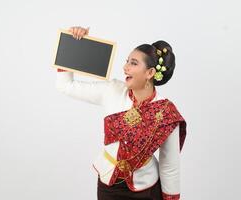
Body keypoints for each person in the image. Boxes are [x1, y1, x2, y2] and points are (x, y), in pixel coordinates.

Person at [56, 26, 187, 200]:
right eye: (126, 61)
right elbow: (66, 87)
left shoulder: (166, 112)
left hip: (146, 188)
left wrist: (171, 197)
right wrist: (73, 45)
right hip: (108, 184)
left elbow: (169, 164)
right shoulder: (113, 90)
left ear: (150, 73)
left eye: (133, 63)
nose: (125, 67)